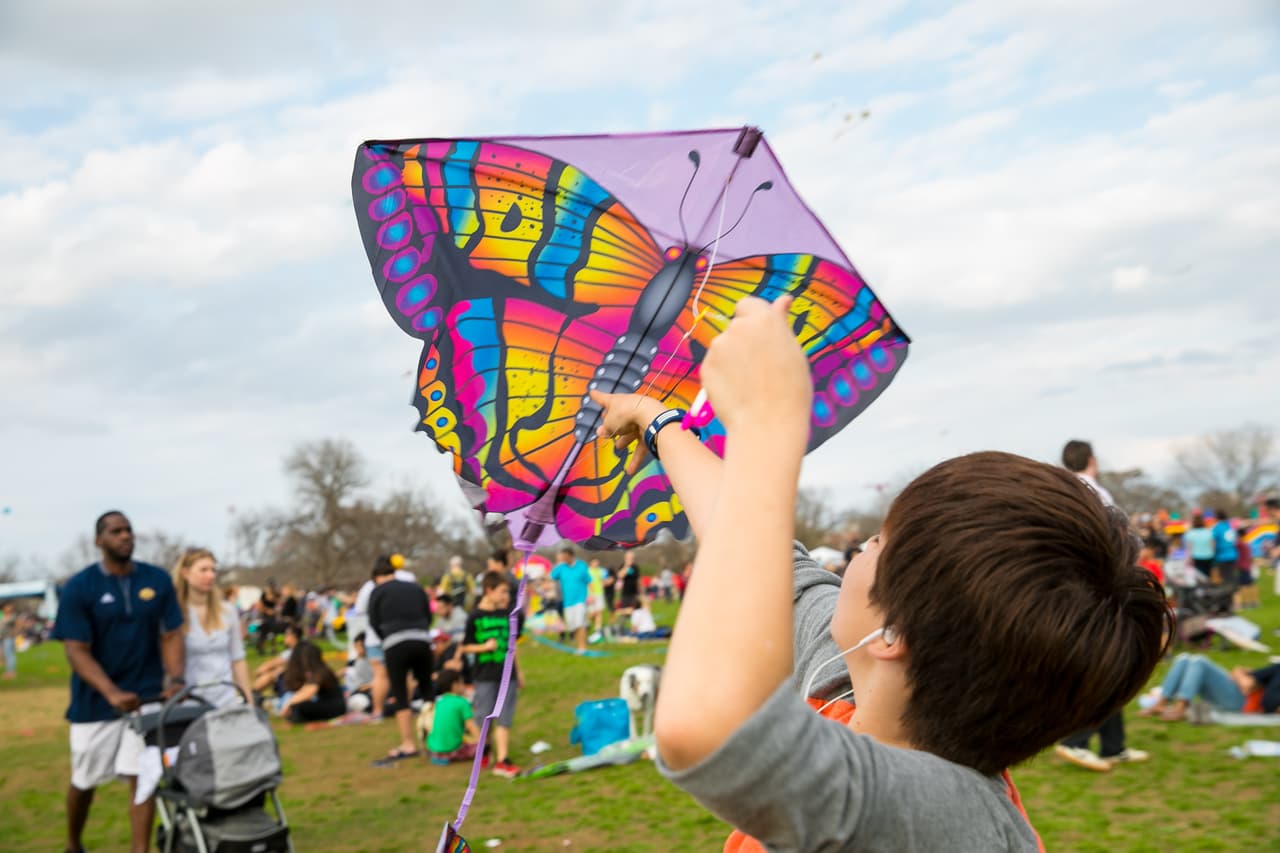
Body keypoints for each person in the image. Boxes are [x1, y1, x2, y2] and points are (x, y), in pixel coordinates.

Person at [590, 296, 1171, 851]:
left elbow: (715, 730)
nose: (859, 548)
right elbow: (760, 553)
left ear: (892, 634)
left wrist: (768, 425)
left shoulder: (957, 822)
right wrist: (655, 419)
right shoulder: (847, 676)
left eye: (877, 542)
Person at [51, 511, 186, 853]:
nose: (125, 536)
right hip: (94, 704)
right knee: (84, 780)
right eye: (115, 531)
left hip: (147, 697)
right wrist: (110, 692)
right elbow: (76, 650)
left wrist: (176, 678)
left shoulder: (156, 580)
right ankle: (73, 842)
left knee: (143, 779)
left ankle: (139, 850)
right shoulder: (80, 587)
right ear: (99, 541)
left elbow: (171, 634)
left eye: (128, 530)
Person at [1054, 439, 1151, 773]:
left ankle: (1113, 745)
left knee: (1115, 661)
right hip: (1097, 587)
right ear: (1092, 460)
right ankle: (1076, 741)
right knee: (1105, 662)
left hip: (1072, 583)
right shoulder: (1096, 492)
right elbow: (1117, 539)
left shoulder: (1060, 489)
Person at [368, 555, 435, 759]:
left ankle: (408, 744)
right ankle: (435, 740)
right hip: (422, 639)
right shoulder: (414, 587)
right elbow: (428, 615)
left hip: (395, 643)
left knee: (400, 693)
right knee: (427, 689)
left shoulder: (377, 591)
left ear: (376, 577)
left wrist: (387, 638)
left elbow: (374, 621)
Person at [460, 571, 523, 778]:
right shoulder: (475, 617)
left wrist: (519, 672)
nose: (506, 596)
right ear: (489, 590)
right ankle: (484, 749)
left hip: (507, 674)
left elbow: (513, 646)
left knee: (505, 718)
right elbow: (465, 647)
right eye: (502, 591)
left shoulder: (507, 614)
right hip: (484, 675)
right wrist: (483, 648)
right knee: (484, 717)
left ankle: (502, 760)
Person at [171, 549, 252, 708]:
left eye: (213, 570)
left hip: (226, 697)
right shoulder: (175, 614)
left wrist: (248, 700)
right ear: (185, 573)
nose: (211, 575)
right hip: (190, 700)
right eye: (203, 570)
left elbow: (237, 659)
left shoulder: (227, 611)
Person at [352, 557, 414, 718]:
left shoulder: (368, 587)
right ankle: (407, 707)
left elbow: (359, 610)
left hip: (376, 637)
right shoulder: (406, 578)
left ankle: (377, 711)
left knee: (380, 675)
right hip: (401, 634)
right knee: (405, 672)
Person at [1138, 654, 1280, 720]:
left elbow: (1250, 685)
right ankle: (1161, 703)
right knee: (1184, 658)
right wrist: (1243, 678)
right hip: (1240, 693)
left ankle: (1181, 707)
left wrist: (1244, 679)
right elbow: (1242, 675)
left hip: (1244, 703)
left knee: (1200, 662)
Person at [278, 642, 345, 723]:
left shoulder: (321, 672)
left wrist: (288, 704)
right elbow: (305, 689)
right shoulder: (318, 670)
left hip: (335, 707)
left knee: (299, 707)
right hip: (330, 704)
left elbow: (310, 692)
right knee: (296, 706)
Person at [427, 670, 481, 765]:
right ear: (455, 685)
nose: (463, 685)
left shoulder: (440, 702)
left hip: (433, 750)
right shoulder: (462, 702)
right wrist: (481, 743)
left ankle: (440, 756)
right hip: (452, 750)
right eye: (462, 682)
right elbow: (470, 725)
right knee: (478, 746)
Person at [552, 546, 592, 653]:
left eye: (563, 557)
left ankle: (582, 647)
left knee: (580, 623)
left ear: (570, 556)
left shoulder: (581, 565)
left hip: (580, 600)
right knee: (573, 626)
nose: (562, 559)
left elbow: (589, 581)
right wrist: (559, 564)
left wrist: (591, 595)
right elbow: (552, 576)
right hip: (567, 602)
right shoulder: (561, 567)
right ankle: (579, 645)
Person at [344, 632, 375, 712]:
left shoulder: (375, 661)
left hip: (370, 690)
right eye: (356, 646)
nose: (358, 649)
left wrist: (368, 686)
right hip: (358, 691)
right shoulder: (354, 662)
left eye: (361, 646)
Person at [1184, 514, 1216, 581]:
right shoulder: (1209, 532)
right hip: (1208, 556)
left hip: (1196, 557)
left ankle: (1201, 589)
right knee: (1207, 575)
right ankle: (1207, 587)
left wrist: (1189, 559)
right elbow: (1213, 545)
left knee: (1198, 576)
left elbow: (1189, 549)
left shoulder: (1190, 533)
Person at [1210, 510, 1238, 586]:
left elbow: (1213, 543)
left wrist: (1212, 554)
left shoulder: (1216, 528)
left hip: (1222, 556)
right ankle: (1233, 594)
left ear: (1216, 517)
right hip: (1233, 555)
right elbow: (1235, 540)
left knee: (1224, 578)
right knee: (1231, 577)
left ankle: (1227, 595)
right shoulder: (1230, 526)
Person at [1, 601, 17, 679]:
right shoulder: (2, 616)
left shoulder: (12, 616)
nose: (9, 608)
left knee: (9, 655)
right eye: (7, 606)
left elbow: (18, 624)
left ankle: (11, 672)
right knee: (4, 655)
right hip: (2, 638)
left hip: (8, 638)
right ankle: (8, 671)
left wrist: (14, 634)